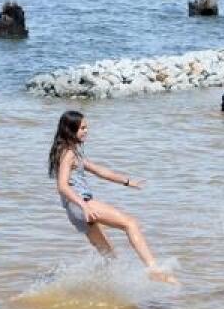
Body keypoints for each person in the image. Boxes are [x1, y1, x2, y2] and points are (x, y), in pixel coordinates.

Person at [48, 111, 177, 284]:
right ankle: (153, 269)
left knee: (110, 256)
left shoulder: (69, 152)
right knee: (130, 223)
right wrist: (84, 206)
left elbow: (101, 171)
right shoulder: (69, 153)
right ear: (71, 130)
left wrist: (127, 181)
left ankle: (101, 288)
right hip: (81, 203)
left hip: (73, 210)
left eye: (87, 127)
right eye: (83, 128)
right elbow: (62, 186)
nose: (87, 131)